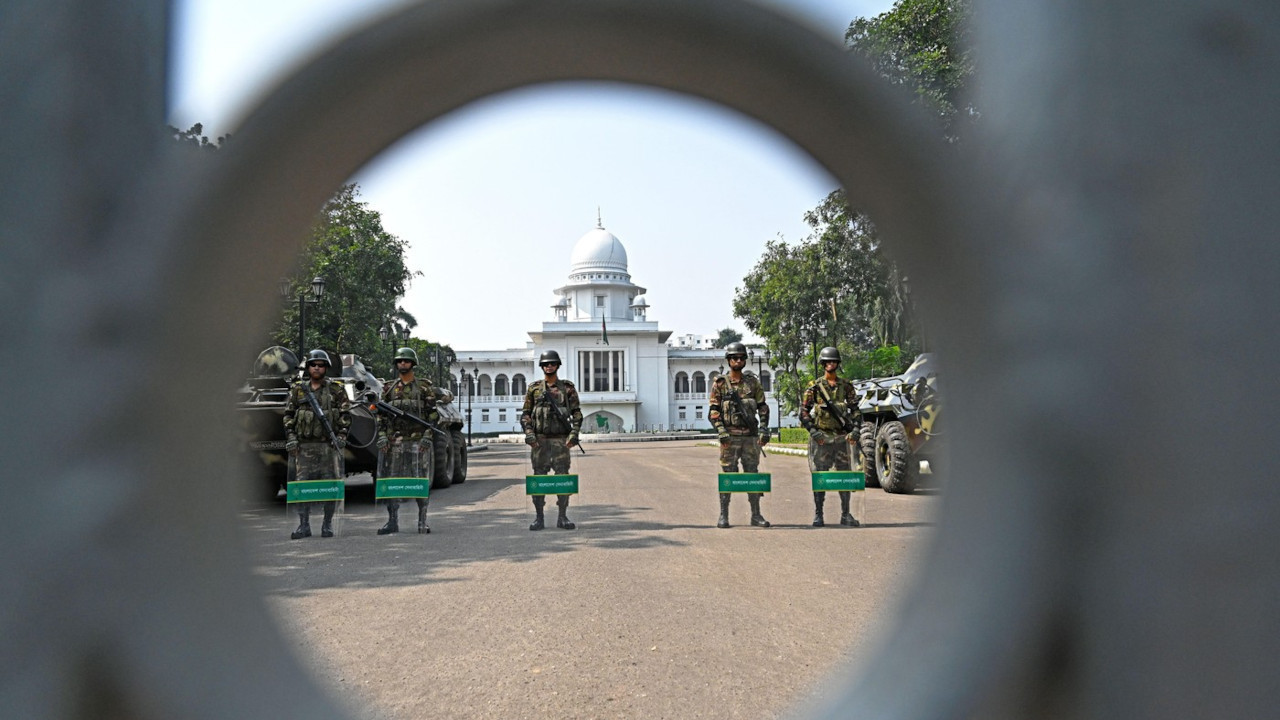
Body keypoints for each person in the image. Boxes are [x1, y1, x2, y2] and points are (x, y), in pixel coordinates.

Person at [282, 349, 351, 539]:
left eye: (321, 365)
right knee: (302, 488)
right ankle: (303, 525)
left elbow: (345, 416)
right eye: (313, 364)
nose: (317, 368)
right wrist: (291, 438)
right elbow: (288, 416)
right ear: (308, 368)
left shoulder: (336, 389)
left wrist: (342, 436)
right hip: (303, 447)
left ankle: (327, 524)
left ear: (326, 368)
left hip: (328, 447)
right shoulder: (298, 390)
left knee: (329, 486)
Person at [375, 346, 439, 535]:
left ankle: (422, 521)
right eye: (399, 361)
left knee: (420, 481)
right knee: (393, 482)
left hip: (418, 442)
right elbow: (382, 416)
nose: (402, 363)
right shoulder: (389, 388)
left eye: (406, 360)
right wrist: (382, 436)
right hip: (395, 442)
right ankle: (392, 521)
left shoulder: (423, 388)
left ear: (413, 363)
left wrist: (428, 437)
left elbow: (433, 416)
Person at [709, 342, 771, 529]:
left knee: (752, 474)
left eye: (742, 358)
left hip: (750, 437)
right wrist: (721, 431)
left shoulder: (752, 382)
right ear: (728, 361)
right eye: (735, 358)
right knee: (728, 475)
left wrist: (764, 428)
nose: (739, 360)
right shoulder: (720, 384)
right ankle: (724, 515)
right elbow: (713, 411)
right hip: (730, 438)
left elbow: (762, 407)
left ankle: (756, 515)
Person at [520, 349, 582, 531]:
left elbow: (577, 414)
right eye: (546, 364)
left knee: (562, 478)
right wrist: (529, 433)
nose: (549, 366)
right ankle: (539, 518)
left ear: (557, 365)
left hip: (560, 441)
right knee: (539, 480)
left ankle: (562, 517)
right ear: (541, 366)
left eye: (552, 363)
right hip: (539, 442)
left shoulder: (568, 388)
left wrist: (574, 434)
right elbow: (525, 415)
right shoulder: (533, 389)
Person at [799, 346, 862, 527]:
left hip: (842, 439)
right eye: (827, 362)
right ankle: (819, 514)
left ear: (837, 364)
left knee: (845, 476)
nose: (831, 364)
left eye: (833, 361)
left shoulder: (846, 386)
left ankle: (846, 514)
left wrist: (856, 430)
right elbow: (803, 412)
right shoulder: (815, 388)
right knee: (821, 476)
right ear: (823, 364)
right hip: (822, 440)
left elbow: (855, 411)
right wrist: (814, 431)